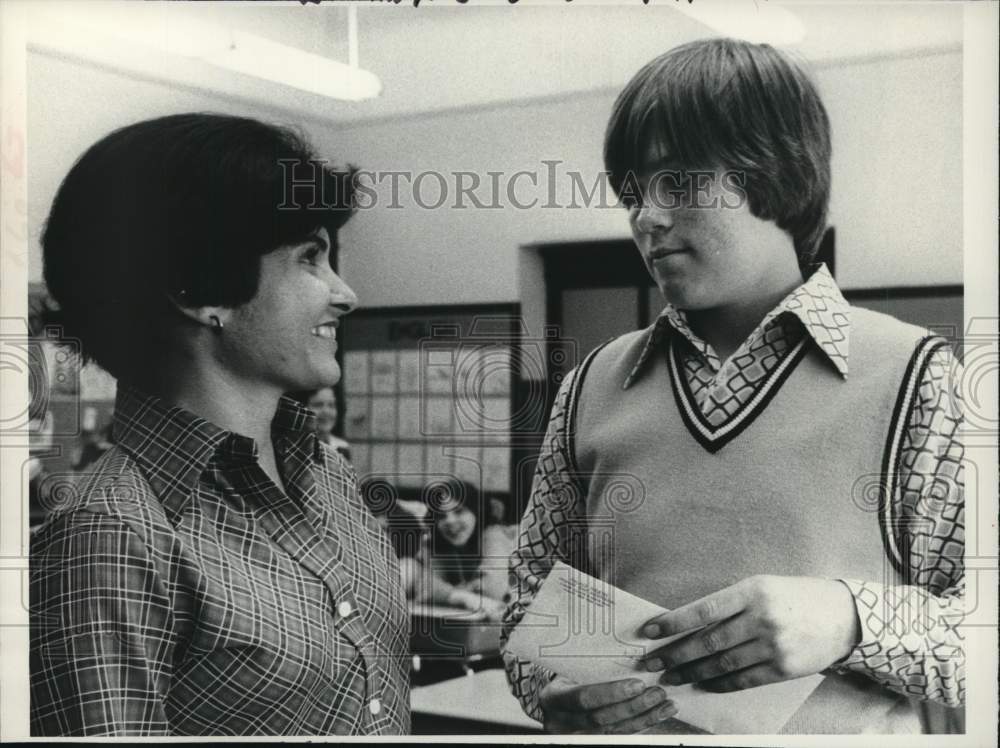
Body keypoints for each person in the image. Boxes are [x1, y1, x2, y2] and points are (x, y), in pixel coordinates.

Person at [501, 38, 964, 735]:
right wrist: (551, 690)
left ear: (774, 170)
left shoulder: (917, 377)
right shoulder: (588, 387)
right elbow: (528, 609)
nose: (645, 218)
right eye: (632, 191)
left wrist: (851, 619)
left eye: (676, 181)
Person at [30, 114, 410, 736]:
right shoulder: (111, 537)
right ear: (199, 288)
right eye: (310, 258)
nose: (345, 294)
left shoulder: (326, 476)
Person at [416, 479, 509, 620]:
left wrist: (450, 592)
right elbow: (426, 588)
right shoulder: (436, 543)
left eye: (459, 511)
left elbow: (493, 592)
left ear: (477, 511)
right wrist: (462, 596)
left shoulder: (493, 535)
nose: (450, 520)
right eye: (441, 516)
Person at [292, 386, 352, 460]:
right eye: (318, 405)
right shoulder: (293, 450)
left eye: (331, 405)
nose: (326, 411)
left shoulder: (342, 448)